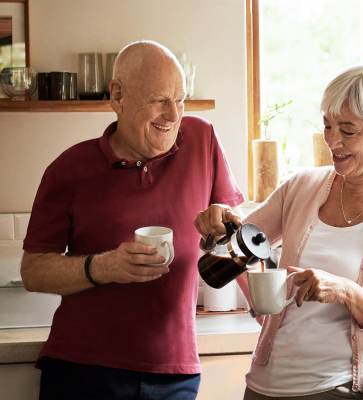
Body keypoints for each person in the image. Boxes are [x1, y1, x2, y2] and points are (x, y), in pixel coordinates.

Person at [21, 40, 244, 400]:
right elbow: (33, 270)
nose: (173, 115)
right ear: (118, 95)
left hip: (174, 372)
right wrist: (103, 267)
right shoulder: (68, 169)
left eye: (180, 100)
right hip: (82, 369)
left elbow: (235, 236)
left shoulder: (202, 141)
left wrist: (227, 225)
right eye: (159, 100)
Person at [194, 61, 363, 400]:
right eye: (328, 126)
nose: (333, 141)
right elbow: (233, 246)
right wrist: (218, 224)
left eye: (348, 130)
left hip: (335, 389)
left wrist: (345, 291)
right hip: (264, 385)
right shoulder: (302, 186)